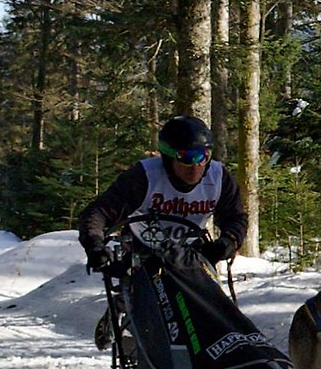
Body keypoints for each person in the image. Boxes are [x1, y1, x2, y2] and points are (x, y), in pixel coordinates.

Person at [76, 115, 246, 272]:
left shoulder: (218, 178)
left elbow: (236, 217)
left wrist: (228, 242)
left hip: (191, 253)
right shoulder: (144, 177)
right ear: (168, 156)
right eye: (186, 157)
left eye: (203, 156)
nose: (196, 166)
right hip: (142, 251)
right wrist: (95, 244)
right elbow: (98, 212)